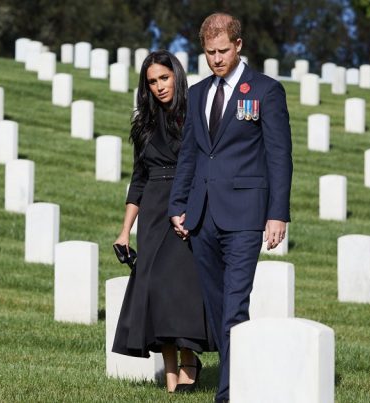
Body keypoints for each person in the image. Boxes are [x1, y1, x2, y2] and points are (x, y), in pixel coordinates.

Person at [168, 12, 293, 403]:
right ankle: (246, 378)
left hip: (244, 217)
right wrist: (179, 204)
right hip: (202, 217)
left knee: (235, 306)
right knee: (218, 306)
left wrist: (278, 214)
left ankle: (230, 394)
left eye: (223, 50)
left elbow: (279, 155)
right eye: (209, 53)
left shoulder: (266, 91)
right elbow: (189, 153)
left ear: (239, 46)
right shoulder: (200, 92)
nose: (217, 59)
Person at [112, 50, 213, 393]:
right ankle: (171, 380)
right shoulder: (143, 124)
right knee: (154, 288)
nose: (158, 86)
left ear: (177, 76)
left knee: (177, 287)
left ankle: (189, 359)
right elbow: (138, 178)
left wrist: (192, 207)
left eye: (164, 78)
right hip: (153, 210)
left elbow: (204, 166)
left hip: (184, 205)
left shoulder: (194, 115)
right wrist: (125, 230)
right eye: (152, 81)